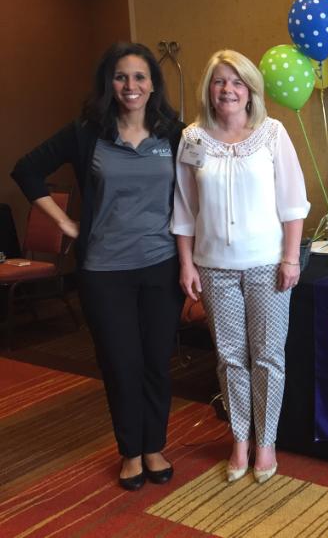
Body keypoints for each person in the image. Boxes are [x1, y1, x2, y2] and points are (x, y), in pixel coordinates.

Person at [11, 42, 185, 491]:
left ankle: (154, 446)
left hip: (161, 265)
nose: (131, 86)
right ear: (109, 83)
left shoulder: (174, 134)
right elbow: (26, 170)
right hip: (104, 270)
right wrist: (66, 222)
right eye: (121, 76)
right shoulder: (87, 132)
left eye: (140, 77)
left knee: (156, 363)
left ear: (153, 85)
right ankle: (130, 450)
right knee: (120, 362)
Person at [173, 49, 309, 484]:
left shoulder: (272, 134)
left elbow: (293, 203)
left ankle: (266, 441)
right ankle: (239, 439)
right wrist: (186, 264)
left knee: (268, 357)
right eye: (219, 82)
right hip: (214, 268)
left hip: (268, 266)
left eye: (236, 82)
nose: (227, 90)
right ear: (208, 91)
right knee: (230, 357)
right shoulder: (193, 138)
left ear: (251, 90)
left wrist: (291, 258)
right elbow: (183, 207)